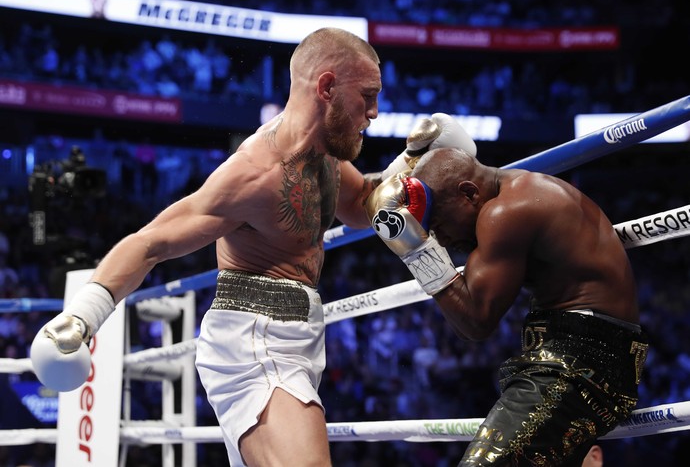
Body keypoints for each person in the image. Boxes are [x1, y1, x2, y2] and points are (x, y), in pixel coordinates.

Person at [30, 29, 475, 466]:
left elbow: (362, 207)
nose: (375, 112)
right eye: (368, 95)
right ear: (326, 88)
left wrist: (415, 164)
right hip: (254, 343)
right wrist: (82, 316)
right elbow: (151, 243)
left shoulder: (325, 155)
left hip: (293, 337)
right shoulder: (253, 175)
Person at [365, 147, 648, 466]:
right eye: (431, 233)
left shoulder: (506, 212)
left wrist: (416, 251)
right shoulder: (512, 194)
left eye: (440, 224)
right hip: (580, 355)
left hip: (583, 363)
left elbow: (475, 321)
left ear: (469, 193)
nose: (440, 240)